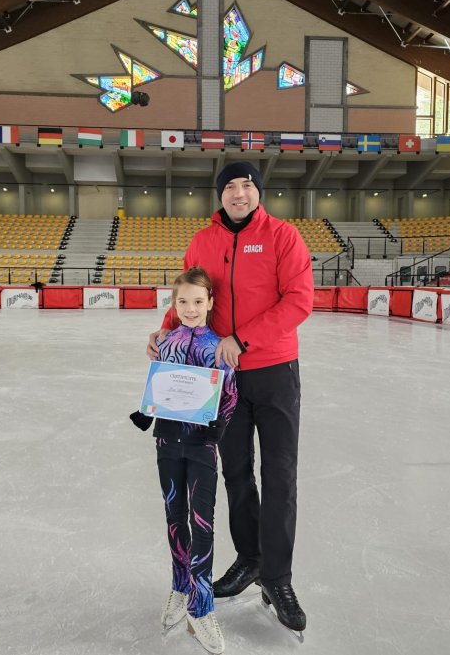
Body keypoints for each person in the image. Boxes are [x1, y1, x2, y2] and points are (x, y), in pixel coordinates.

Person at [147, 161, 314, 633]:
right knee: (236, 473)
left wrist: (243, 339)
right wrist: (165, 332)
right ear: (219, 194)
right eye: (230, 187)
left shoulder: (283, 237)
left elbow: (299, 300)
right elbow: (189, 296)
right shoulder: (203, 241)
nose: (239, 194)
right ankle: (249, 559)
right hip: (222, 378)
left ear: (258, 191)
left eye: (247, 185)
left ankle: (277, 578)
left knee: (279, 475)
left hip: (275, 370)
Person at [130, 267, 237, 655]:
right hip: (168, 445)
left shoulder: (218, 347)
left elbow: (230, 395)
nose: (190, 308)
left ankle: (201, 606)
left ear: (210, 303)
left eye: (197, 301)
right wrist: (148, 411)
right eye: (183, 302)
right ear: (173, 305)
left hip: (201, 447)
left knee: (202, 523)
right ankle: (180, 585)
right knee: (175, 517)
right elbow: (160, 385)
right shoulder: (165, 342)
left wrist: (218, 428)